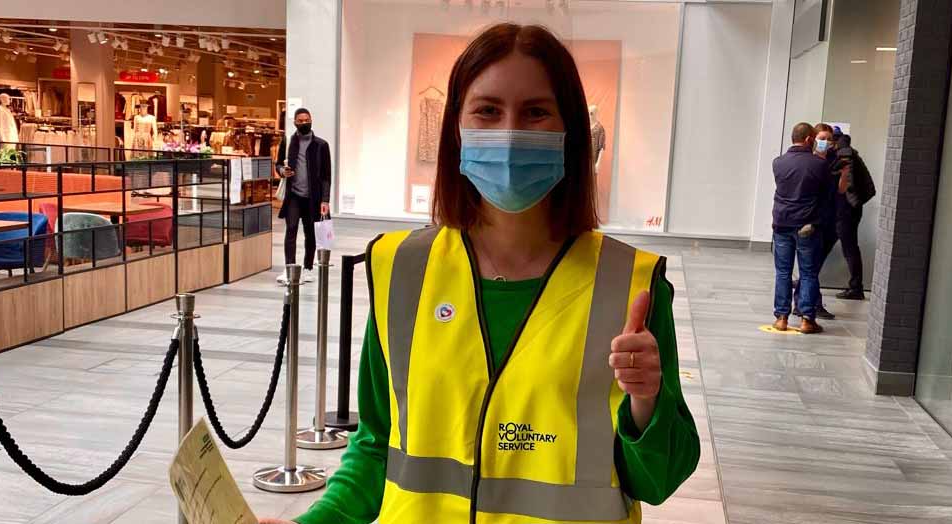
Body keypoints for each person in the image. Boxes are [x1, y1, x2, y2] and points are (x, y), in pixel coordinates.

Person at [261, 23, 698, 524]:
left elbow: (659, 480)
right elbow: (376, 449)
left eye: (535, 112)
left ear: (569, 131)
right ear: (457, 128)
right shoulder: (402, 270)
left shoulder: (630, 285)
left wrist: (646, 402)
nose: (510, 131)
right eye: (488, 110)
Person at [772, 122, 832, 334]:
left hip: (781, 223)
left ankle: (781, 318)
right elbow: (827, 195)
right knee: (808, 273)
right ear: (808, 139)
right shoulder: (819, 165)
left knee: (782, 272)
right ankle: (807, 320)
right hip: (807, 225)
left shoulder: (778, 162)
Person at [274, 108, 331, 284]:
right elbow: (278, 165)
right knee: (291, 229)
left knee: (310, 234)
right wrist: (283, 171)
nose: (304, 122)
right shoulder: (288, 142)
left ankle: (307, 268)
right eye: (300, 120)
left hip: (313, 198)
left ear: (311, 120)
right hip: (294, 196)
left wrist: (325, 200)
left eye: (307, 119)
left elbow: (326, 176)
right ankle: (289, 267)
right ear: (295, 123)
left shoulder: (321, 145)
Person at [833, 128, 870, 300]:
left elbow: (847, 182)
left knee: (849, 248)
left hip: (846, 209)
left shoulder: (844, 153)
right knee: (829, 245)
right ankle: (805, 279)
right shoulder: (847, 151)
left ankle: (856, 287)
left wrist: (851, 201)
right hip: (847, 208)